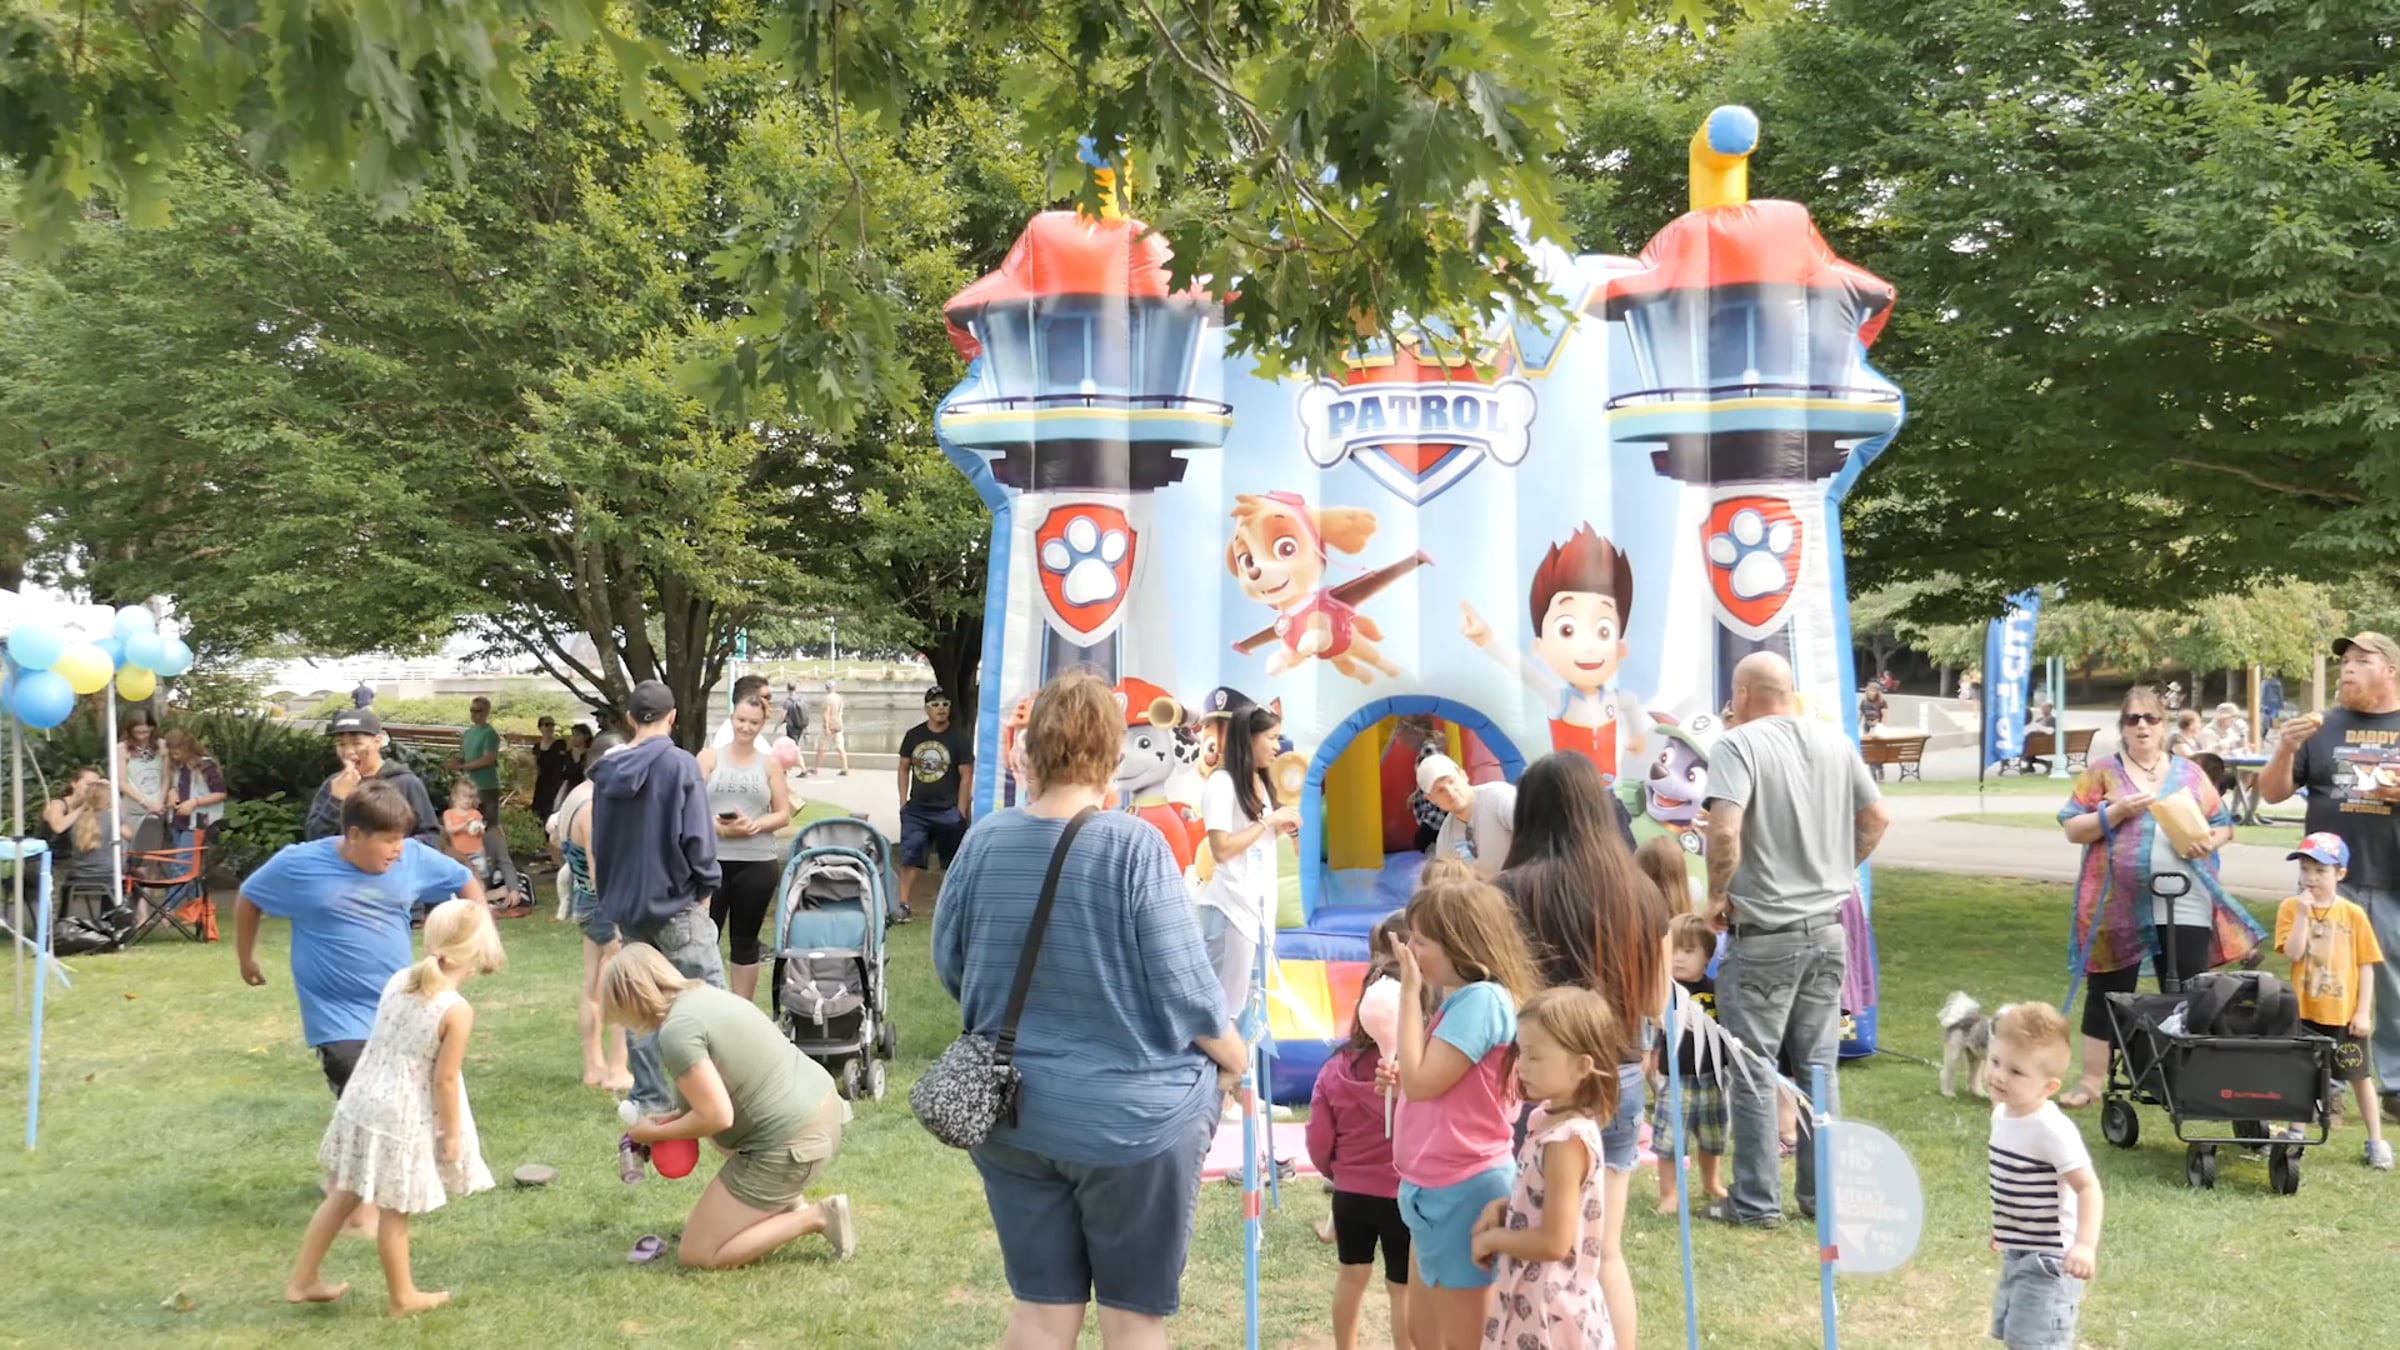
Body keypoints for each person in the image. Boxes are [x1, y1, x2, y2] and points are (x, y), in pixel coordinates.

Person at [931, 672, 1247, 1349]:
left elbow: (952, 966)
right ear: (1113, 753)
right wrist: (1235, 1057)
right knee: (1133, 1321)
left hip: (1012, 1112)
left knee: (1041, 1312)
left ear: (1029, 752)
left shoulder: (982, 842)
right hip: (1130, 1124)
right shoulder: (1134, 846)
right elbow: (1188, 992)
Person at [1701, 652, 1891, 1228]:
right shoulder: (1835, 741)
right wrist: (1838, 867)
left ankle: (1756, 1202)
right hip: (1828, 929)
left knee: (1754, 1068)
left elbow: (1724, 832)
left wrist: (1716, 895)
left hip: (1764, 933)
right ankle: (1820, 1197)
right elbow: (1876, 818)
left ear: (1743, 693)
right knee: (1818, 1067)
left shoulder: (1737, 745)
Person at [1492, 750, 1664, 1341]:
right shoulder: (1641, 890)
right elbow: (1655, 999)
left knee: (1531, 1237)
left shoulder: (1509, 891)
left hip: (1536, 1081)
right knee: (1602, 1253)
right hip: (1620, 1075)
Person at [283, 899, 504, 1317]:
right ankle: (403, 1298)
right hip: (399, 1115)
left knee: (344, 1193)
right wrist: (451, 1135)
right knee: (395, 1209)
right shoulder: (456, 1011)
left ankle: (303, 1279)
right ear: (474, 954)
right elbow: (444, 1080)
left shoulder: (401, 979)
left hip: (363, 1098)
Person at [2055, 685, 2260, 1108]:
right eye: (2133, 719)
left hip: (2186, 899)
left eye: (2150, 718)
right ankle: (2091, 1082)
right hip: (2116, 902)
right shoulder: (2102, 773)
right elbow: (2073, 827)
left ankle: (2186, 1081)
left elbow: (2224, 824)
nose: (2142, 726)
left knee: (2189, 991)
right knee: (2108, 990)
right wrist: (2116, 811)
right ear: (2123, 726)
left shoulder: (2189, 773)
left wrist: (2210, 841)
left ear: (2163, 725)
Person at [601, 945, 857, 1269]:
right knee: (722, 1142)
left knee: (698, 1254)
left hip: (794, 1142)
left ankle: (818, 1217)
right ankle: (785, 1204)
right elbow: (723, 1092)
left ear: (632, 998)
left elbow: (717, 1116)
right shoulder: (702, 996)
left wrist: (651, 1134)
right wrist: (666, 1122)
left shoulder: (677, 1032)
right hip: (821, 1111)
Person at [1385, 872, 1542, 1350]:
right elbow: (1431, 1083)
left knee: (1461, 1338)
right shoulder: (1464, 1001)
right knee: (1423, 1332)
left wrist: (1408, 993)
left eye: (1421, 941)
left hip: (1462, 1189)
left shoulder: (1482, 1001)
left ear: (1460, 944)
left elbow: (1421, 1082)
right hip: (1434, 1187)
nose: (1410, 950)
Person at [2260, 631, 2400, 1123]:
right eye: (2346, 661)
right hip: (2327, 882)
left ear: (2391, 671)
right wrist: (2285, 748)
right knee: (2323, 982)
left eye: (2362, 660)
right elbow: (2272, 793)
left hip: (2392, 878)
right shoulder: (2320, 727)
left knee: (2393, 985)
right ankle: (2328, 1086)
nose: (2348, 668)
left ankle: (2395, 1086)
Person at [588, 678, 725, 1120]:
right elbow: (697, 837)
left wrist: (612, 897)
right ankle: (729, 1093)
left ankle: (651, 1099)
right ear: (673, 717)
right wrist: (705, 888)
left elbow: (600, 844)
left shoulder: (607, 772)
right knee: (713, 1004)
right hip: (678, 903)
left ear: (630, 719)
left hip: (629, 909)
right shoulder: (681, 764)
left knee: (640, 1006)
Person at [1470, 986, 1622, 1350]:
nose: (1521, 1066)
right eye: (1521, 1052)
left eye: (1535, 1056)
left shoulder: (1564, 1142)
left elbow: (1554, 1242)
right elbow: (1546, 1200)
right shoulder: (1549, 1120)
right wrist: (1505, 1208)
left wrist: (1492, 1239)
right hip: (1535, 1298)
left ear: (1582, 1066)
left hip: (1549, 1310)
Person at [1982, 1003, 2103, 1350]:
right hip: (2017, 1250)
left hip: (2052, 1260)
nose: (1999, 1075)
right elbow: (2016, 1180)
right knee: (2018, 1335)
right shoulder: (2002, 1115)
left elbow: (2088, 1187)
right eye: (1995, 1061)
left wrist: (2084, 1245)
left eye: (2016, 1071)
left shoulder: (2051, 1130)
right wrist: (2007, 1225)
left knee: (2036, 1342)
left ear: (2048, 1087)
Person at [1306, 976, 1414, 1350]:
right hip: (1402, 1197)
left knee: (1351, 1278)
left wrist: (1337, 1172)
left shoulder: (1333, 1070)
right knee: (1402, 1289)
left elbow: (1318, 1139)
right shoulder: (1421, 1073)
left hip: (1350, 1196)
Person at [2274, 834, 2391, 1167]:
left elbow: (2366, 964)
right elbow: (2293, 953)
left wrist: (2362, 1011)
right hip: (2304, 1012)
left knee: (2359, 1077)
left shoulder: (2353, 914)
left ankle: (2376, 1140)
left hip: (2343, 1015)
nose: (2310, 878)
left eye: (2320, 871)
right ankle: (2296, 1134)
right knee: (2302, 1075)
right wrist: (2302, 915)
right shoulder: (2290, 908)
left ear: (2340, 874)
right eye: (2305, 869)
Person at [1198, 703, 1301, 1023]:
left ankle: (1246, 1054)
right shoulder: (1222, 783)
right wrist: (1269, 822)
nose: (1277, 746)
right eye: (1271, 738)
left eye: (1278, 738)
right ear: (1249, 738)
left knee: (1252, 1006)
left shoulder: (1259, 781)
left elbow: (1254, 841)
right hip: (1231, 909)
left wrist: (1280, 828)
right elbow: (1221, 849)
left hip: (1258, 910)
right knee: (1225, 1010)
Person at [696, 695, 793, 1002]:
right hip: (711, 862)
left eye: (753, 722)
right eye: (741, 720)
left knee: (745, 941)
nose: (746, 727)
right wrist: (719, 827)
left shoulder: (770, 763)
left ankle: (742, 1011)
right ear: (731, 719)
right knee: (703, 939)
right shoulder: (709, 757)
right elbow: (689, 807)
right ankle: (704, 1006)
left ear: (762, 725)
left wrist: (755, 825)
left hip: (756, 863)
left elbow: (783, 813)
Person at [551, 776, 630, 1092]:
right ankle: (617, 1069)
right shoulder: (592, 809)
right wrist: (618, 919)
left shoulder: (574, 796)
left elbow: (555, 840)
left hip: (583, 900)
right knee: (624, 985)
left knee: (593, 986)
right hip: (602, 906)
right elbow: (601, 875)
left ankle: (593, 1067)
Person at [1651, 913, 1728, 1214]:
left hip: (1714, 1077)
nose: (1678, 958)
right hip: (1677, 1078)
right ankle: (1669, 1194)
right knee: (1670, 1139)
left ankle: (1711, 1182)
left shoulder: (1717, 989)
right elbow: (1653, 1016)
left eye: (1688, 950)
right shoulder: (1665, 991)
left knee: (1713, 1135)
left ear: (1707, 956)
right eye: (1673, 950)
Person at [303, 709, 443, 852]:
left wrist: (392, 848)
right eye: (341, 744)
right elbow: (314, 839)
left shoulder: (406, 782)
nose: (348, 751)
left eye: (357, 743)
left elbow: (431, 836)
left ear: (377, 742)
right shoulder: (334, 784)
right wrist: (336, 801)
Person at [896, 685, 974, 922]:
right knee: (910, 857)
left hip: (948, 810)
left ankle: (948, 907)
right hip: (917, 810)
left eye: (945, 704)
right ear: (927, 709)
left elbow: (966, 775)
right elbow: (903, 768)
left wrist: (960, 810)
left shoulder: (959, 738)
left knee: (951, 861)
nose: (941, 709)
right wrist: (903, 802)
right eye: (935, 704)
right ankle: (903, 905)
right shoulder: (914, 735)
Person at [1416, 753, 1514, 877]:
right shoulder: (1446, 837)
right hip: (1486, 888)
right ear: (1431, 798)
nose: (1450, 792)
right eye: (1440, 790)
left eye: (1451, 781)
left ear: (1463, 775)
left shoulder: (1499, 798)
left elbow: (1536, 838)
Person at [445, 696, 507, 884]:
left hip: (486, 786)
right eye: (472, 710)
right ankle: (477, 863)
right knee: (470, 824)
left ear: (486, 712)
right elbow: (465, 756)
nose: (474, 714)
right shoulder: (469, 733)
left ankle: (501, 863)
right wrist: (455, 762)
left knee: (491, 825)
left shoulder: (490, 734)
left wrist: (463, 767)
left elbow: (488, 759)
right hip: (469, 787)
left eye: (478, 710)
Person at [441, 779, 524, 913]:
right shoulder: (448, 825)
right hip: (459, 865)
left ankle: (481, 897)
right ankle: (489, 896)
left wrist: (514, 889)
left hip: (479, 871)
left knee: (479, 878)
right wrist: (463, 825)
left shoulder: (493, 838)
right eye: (464, 797)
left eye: (471, 798)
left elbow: (506, 864)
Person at [161, 727, 229, 848]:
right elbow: (175, 785)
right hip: (177, 821)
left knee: (184, 859)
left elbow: (221, 794)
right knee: (179, 856)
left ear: (187, 748)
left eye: (177, 753)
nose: (174, 757)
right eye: (171, 753)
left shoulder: (206, 766)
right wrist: (172, 792)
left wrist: (194, 803)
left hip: (198, 821)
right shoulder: (177, 766)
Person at [116, 708, 168, 855]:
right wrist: (146, 802)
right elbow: (122, 782)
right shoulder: (122, 748)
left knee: (152, 850)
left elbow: (166, 777)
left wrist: (159, 802)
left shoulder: (162, 745)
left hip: (158, 805)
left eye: (146, 732)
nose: (142, 736)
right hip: (134, 806)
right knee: (132, 849)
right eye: (137, 732)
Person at [530, 716, 576, 819]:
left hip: (556, 781)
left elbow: (567, 761)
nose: (550, 727)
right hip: (542, 782)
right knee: (538, 811)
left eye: (552, 725)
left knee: (552, 810)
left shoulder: (560, 744)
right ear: (540, 727)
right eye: (547, 725)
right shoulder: (537, 747)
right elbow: (536, 766)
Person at [813, 679, 850, 777]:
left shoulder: (828, 699)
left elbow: (827, 714)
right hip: (839, 725)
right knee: (840, 748)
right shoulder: (839, 698)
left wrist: (826, 727)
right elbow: (840, 712)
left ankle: (815, 768)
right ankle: (845, 768)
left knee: (822, 748)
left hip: (830, 726)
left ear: (826, 688)